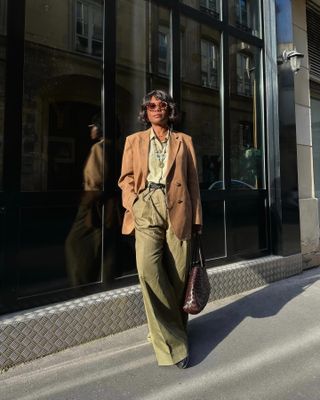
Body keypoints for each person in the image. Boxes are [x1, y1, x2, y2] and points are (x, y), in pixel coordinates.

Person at [118, 90, 202, 368]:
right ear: (145, 111)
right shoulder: (134, 141)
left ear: (169, 110)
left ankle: (168, 329)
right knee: (148, 270)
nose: (156, 109)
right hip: (147, 205)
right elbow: (126, 178)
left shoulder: (184, 141)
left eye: (162, 104)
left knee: (178, 276)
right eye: (151, 105)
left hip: (179, 208)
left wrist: (197, 220)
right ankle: (175, 346)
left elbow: (193, 184)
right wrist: (134, 202)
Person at [65, 115, 119, 286]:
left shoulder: (99, 147)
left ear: (101, 128)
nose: (91, 130)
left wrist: (85, 203)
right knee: (107, 245)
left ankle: (81, 283)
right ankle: (107, 282)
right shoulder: (116, 148)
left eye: (93, 126)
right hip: (111, 205)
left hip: (95, 203)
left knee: (74, 243)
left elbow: (97, 179)